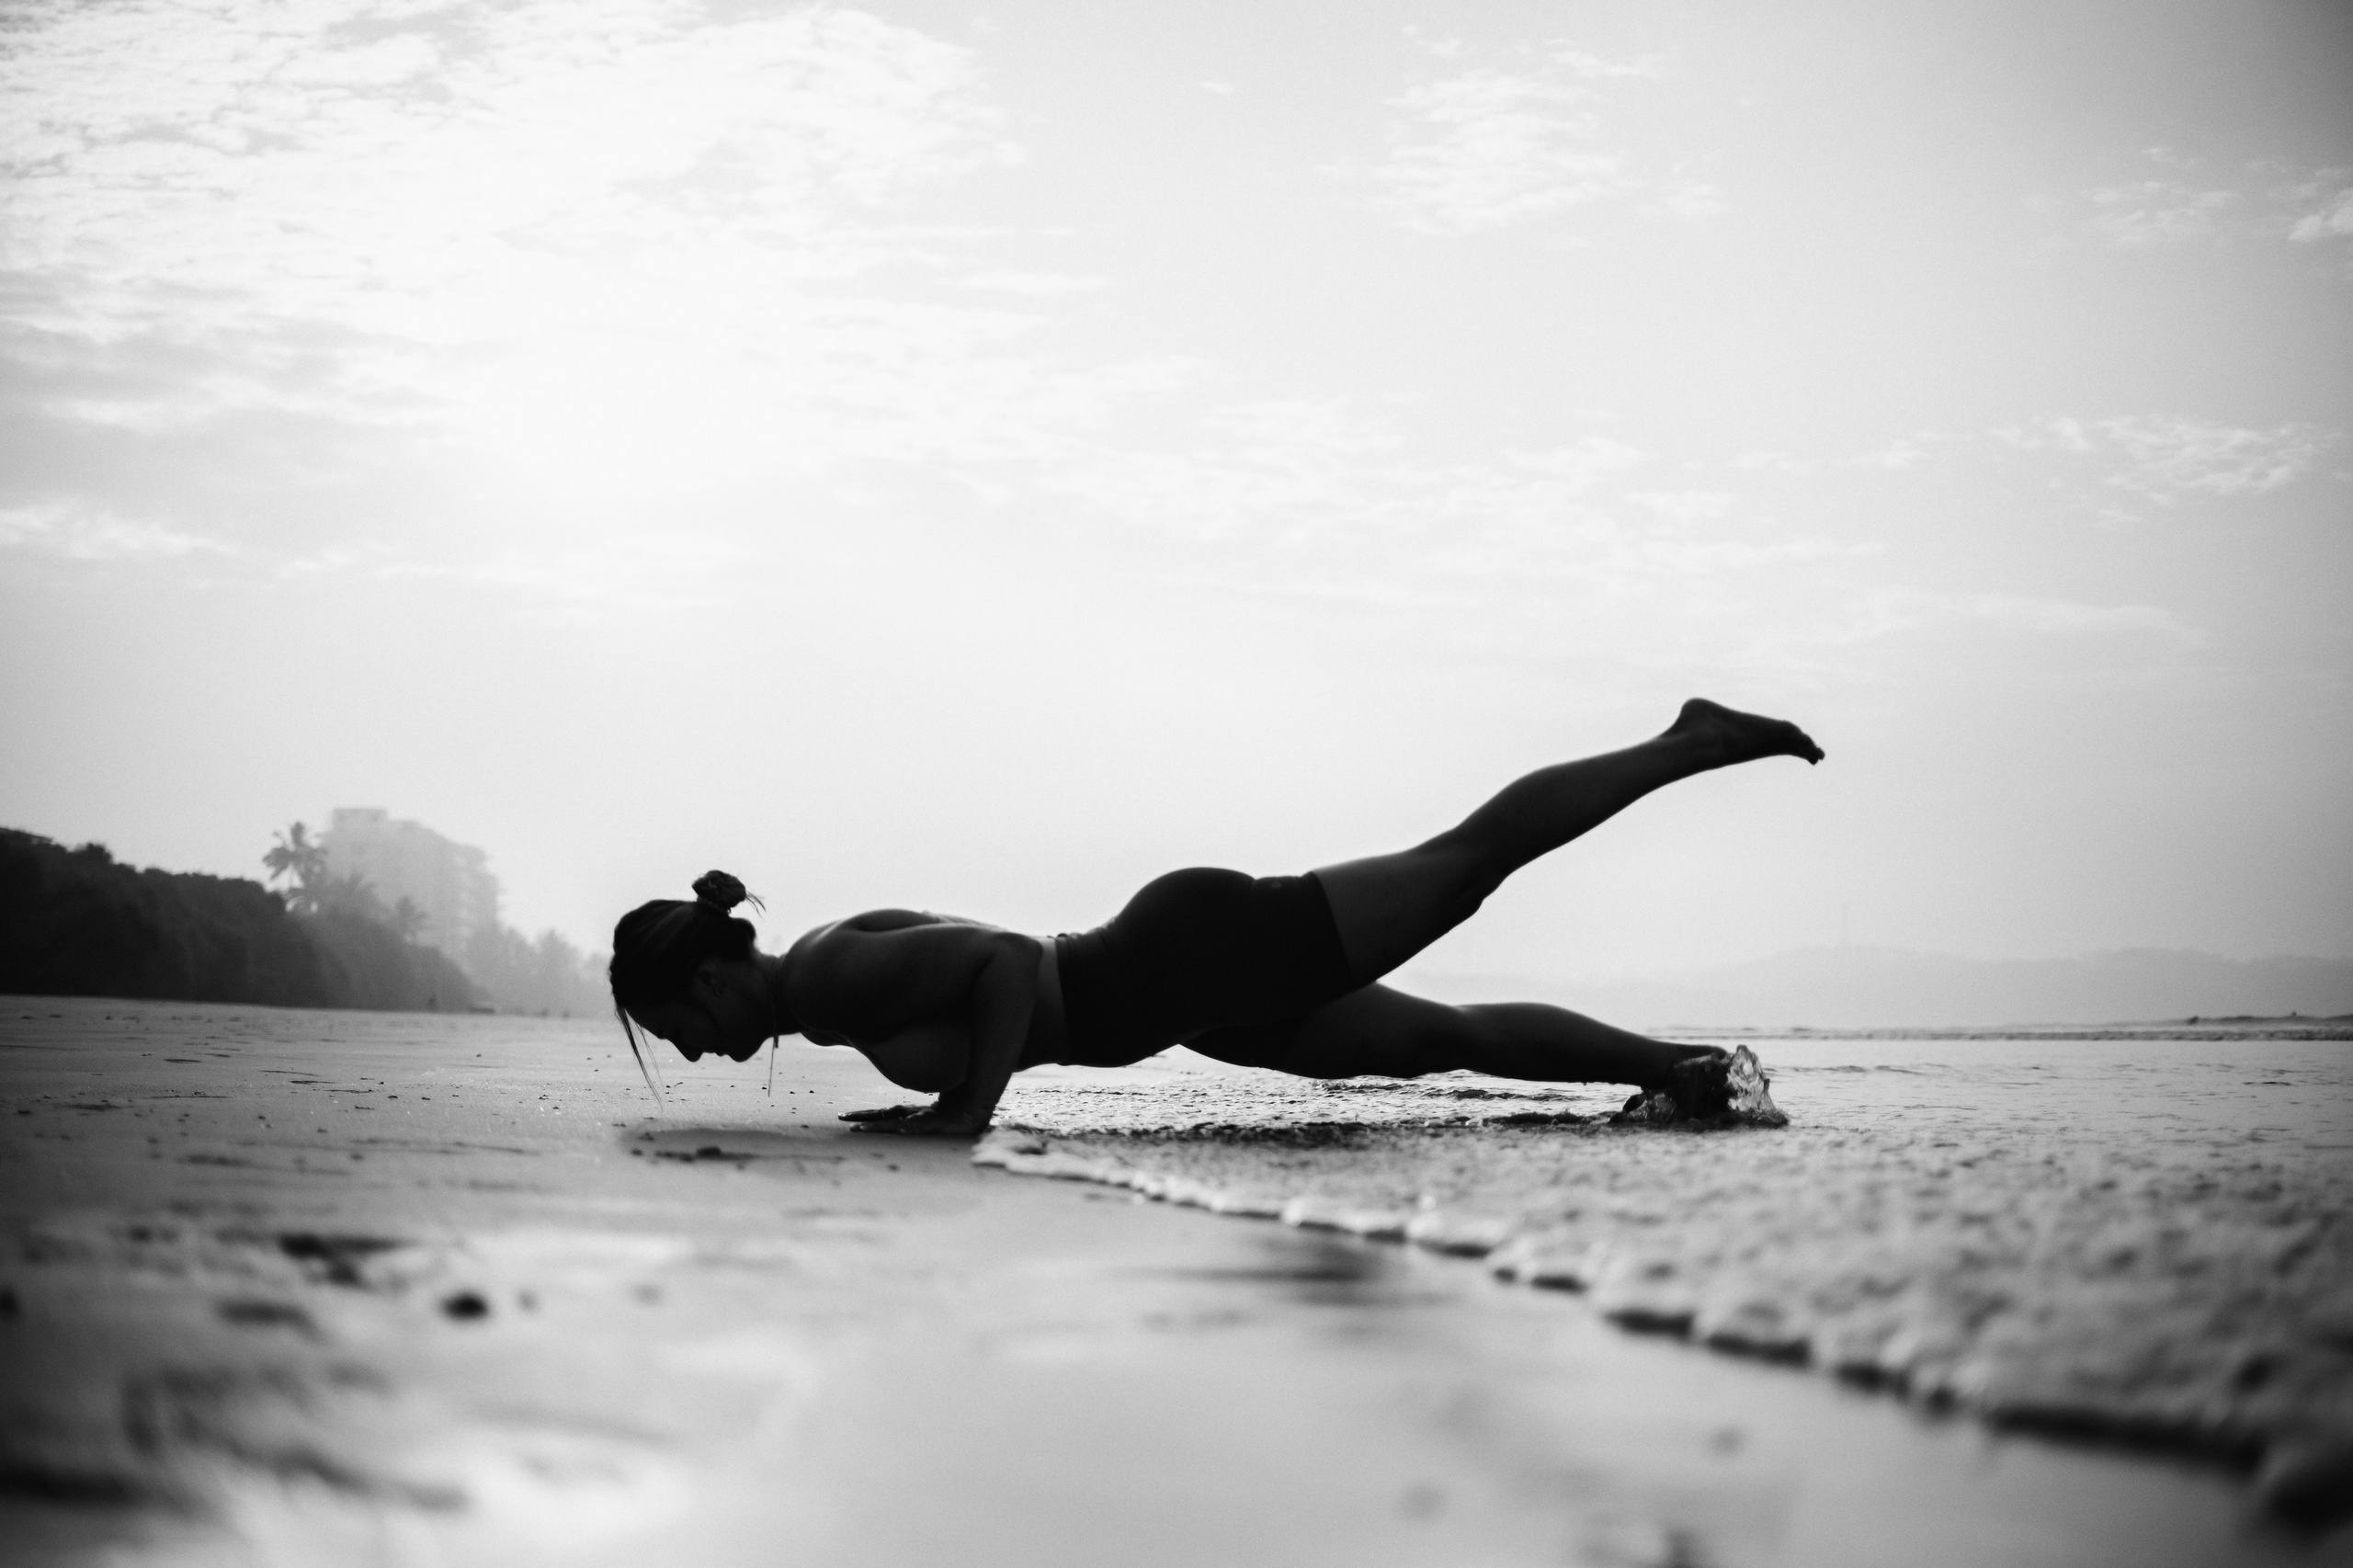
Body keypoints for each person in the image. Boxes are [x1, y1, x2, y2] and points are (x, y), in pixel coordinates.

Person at [609, 698, 1822, 1135]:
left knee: (1463, 862)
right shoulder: (823, 991)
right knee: (1446, 1032)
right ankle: (1688, 1072)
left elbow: (997, 966)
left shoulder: (819, 981)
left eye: (671, 1029)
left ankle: (1687, 741)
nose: (690, 1051)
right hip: (1186, 996)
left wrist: (969, 1110)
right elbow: (973, 983)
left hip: (1178, 957)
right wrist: (937, 1104)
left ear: (705, 980)